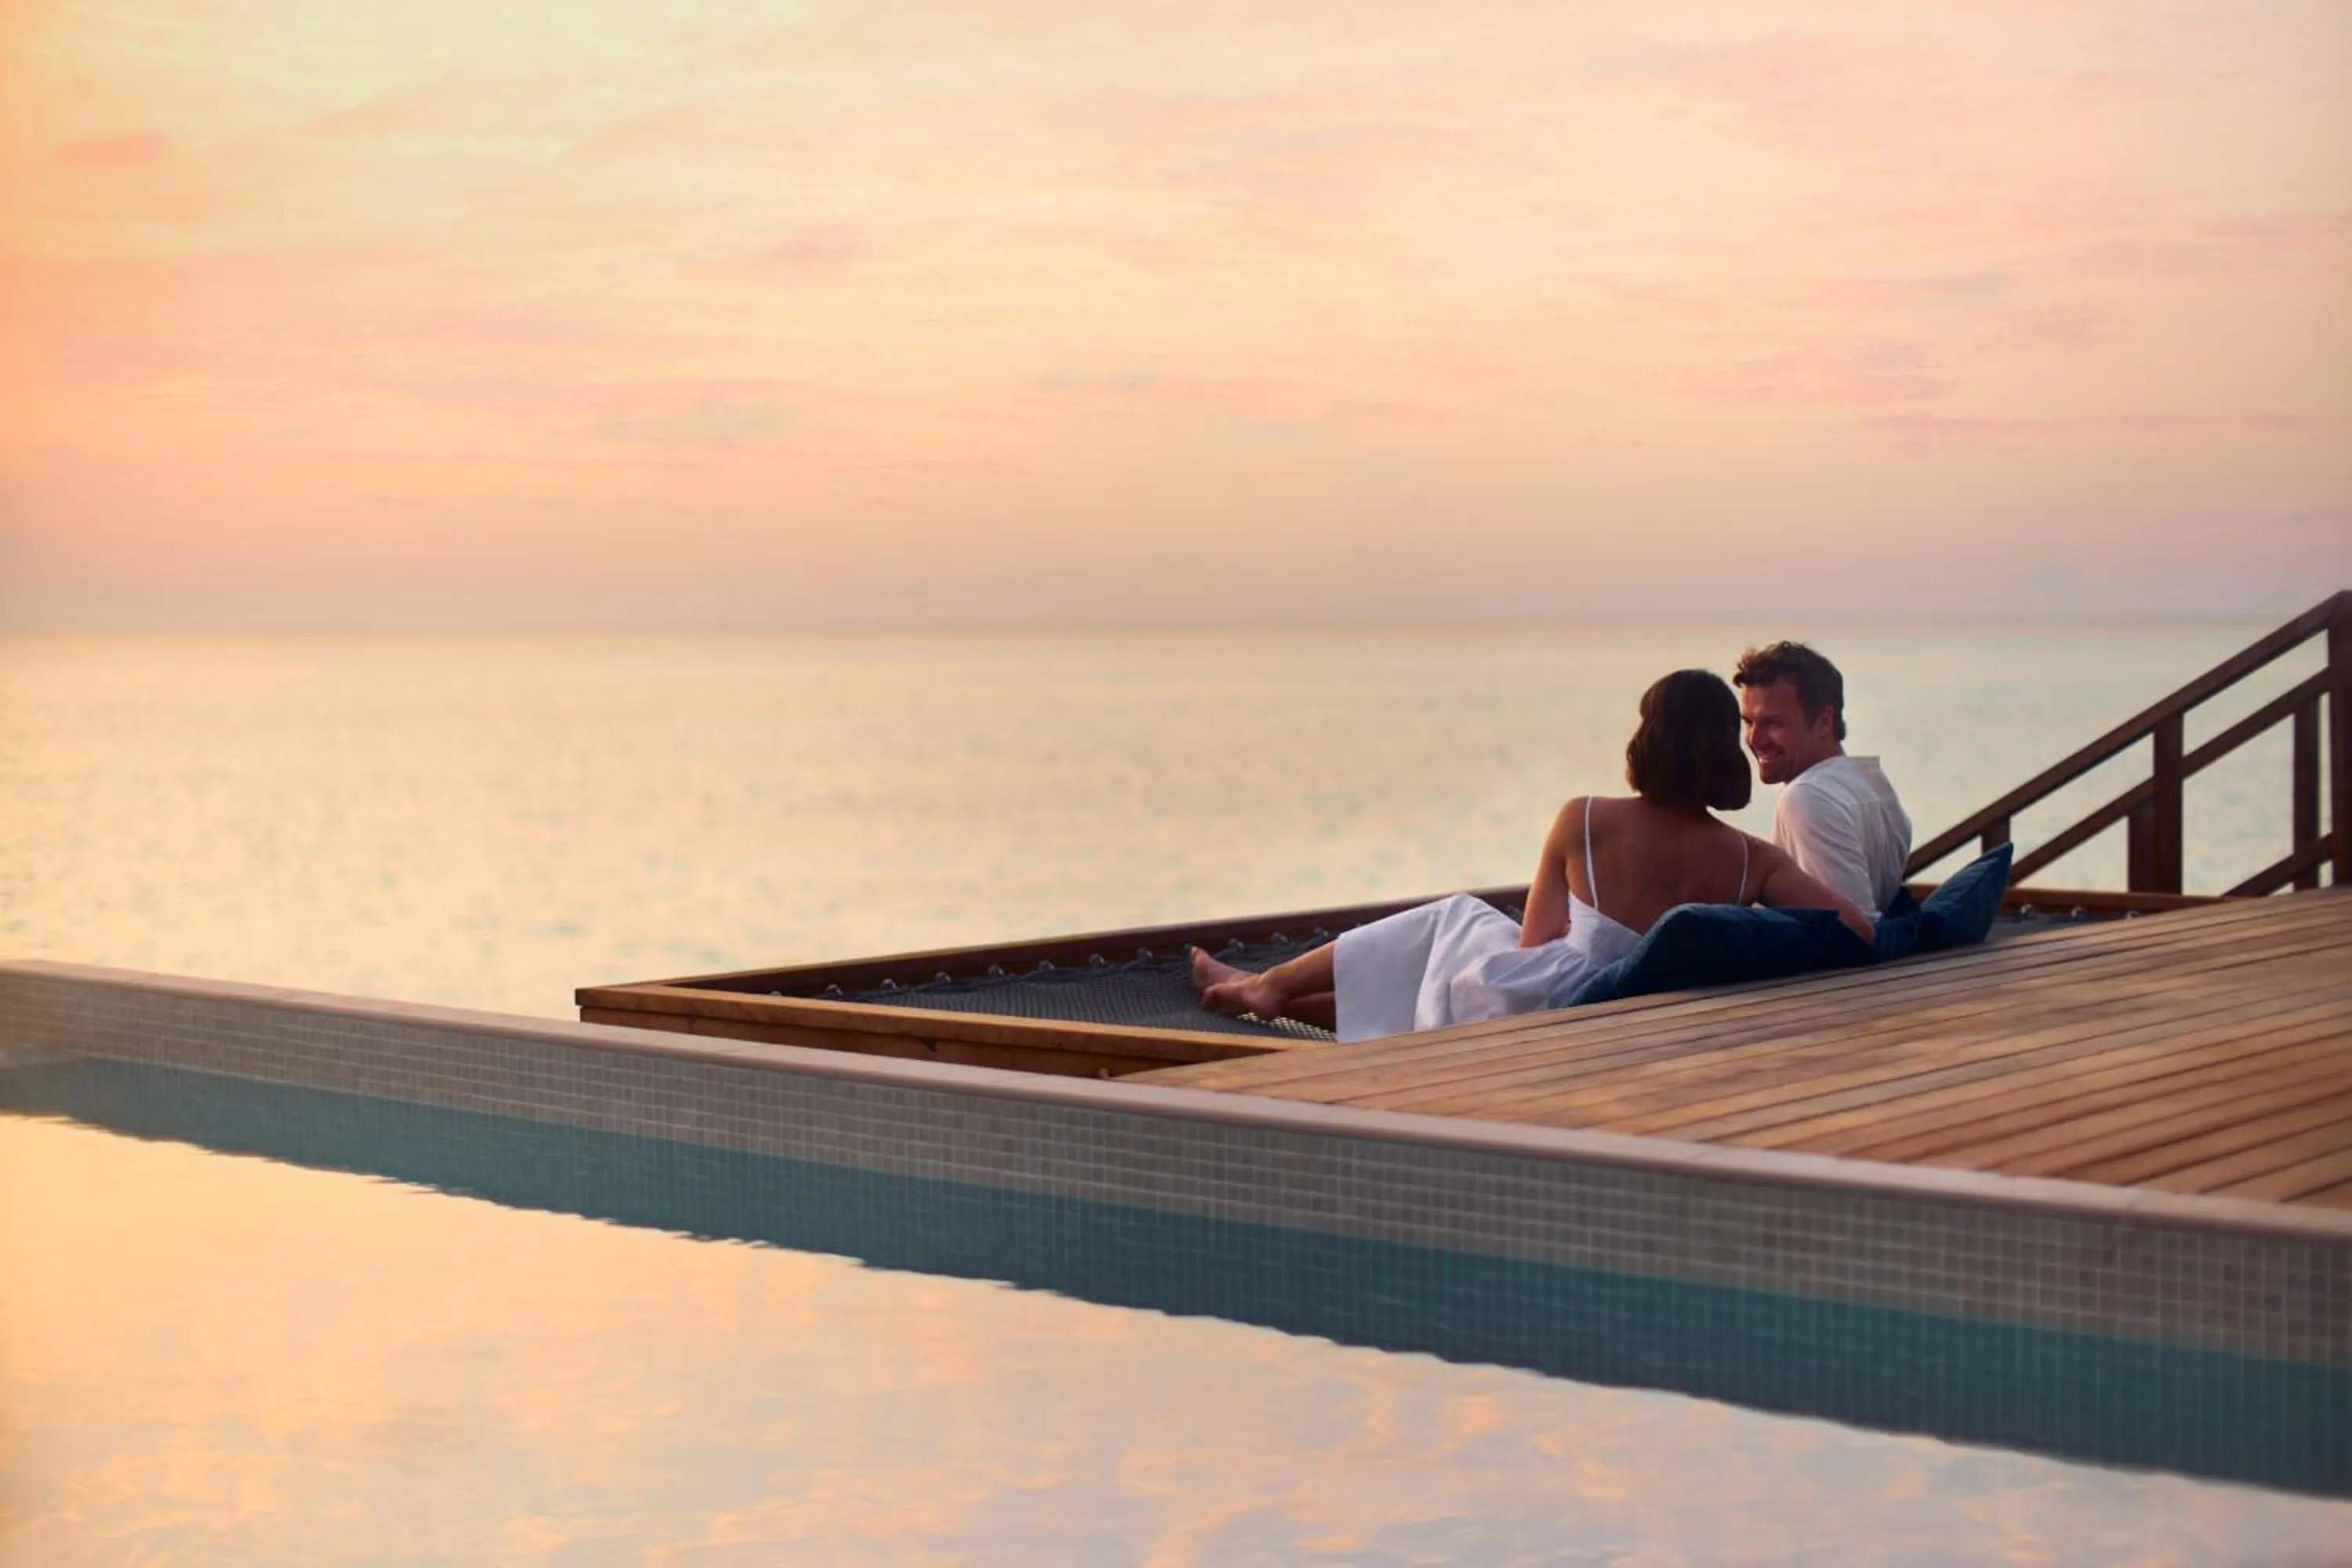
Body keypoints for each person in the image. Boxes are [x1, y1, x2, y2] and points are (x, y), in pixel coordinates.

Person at [1191, 670, 1874, 1040]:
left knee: (1456, 919)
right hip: (1644, 1010)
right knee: (1440, 964)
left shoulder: (1585, 818)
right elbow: (1856, 927)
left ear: (1649, 738)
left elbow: (1533, 940)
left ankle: (1272, 984)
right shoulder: (1751, 860)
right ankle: (1265, 993)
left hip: (1546, 1005)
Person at [1732, 642, 1913, 916]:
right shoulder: (1874, 786)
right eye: (1748, 722)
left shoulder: (1807, 798)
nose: (1755, 739)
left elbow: (1852, 928)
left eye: (1774, 723)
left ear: (1824, 722)